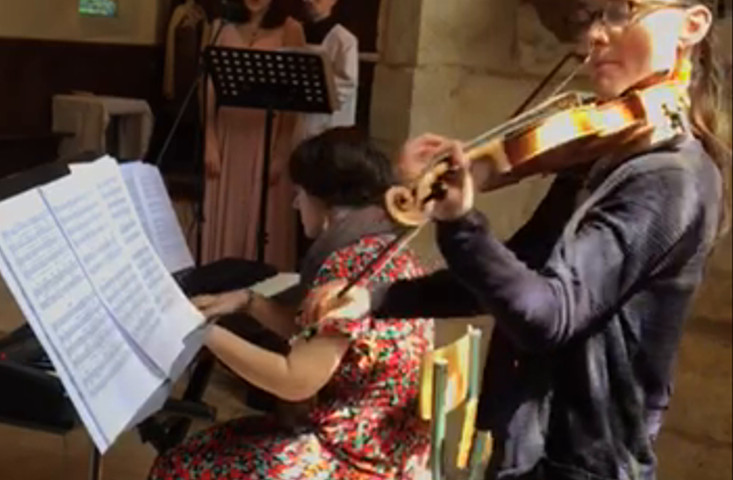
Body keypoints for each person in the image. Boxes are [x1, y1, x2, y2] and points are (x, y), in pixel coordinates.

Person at [306, 1, 730, 479]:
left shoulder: (671, 180)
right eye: (592, 17)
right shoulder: (605, 157)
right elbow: (517, 274)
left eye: (621, 12)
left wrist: (462, 223)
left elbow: (548, 314)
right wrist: (377, 297)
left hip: (582, 465)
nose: (595, 35)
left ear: (691, 25)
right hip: (526, 448)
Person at [148, 128, 433, 479]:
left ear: (324, 203)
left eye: (299, 194)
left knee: (179, 466)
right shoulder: (383, 246)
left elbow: (295, 380)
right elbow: (317, 334)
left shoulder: (348, 267)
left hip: (356, 459)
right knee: (211, 443)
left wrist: (202, 333)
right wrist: (247, 302)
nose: (296, 204)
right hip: (387, 443)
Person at [202, 0, 305, 271]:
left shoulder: (291, 29)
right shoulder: (220, 27)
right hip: (228, 135)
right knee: (227, 214)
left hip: (267, 136)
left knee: (264, 217)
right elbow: (208, 89)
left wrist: (281, 152)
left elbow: (294, 101)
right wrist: (209, 140)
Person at [300, 0, 359, 139]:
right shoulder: (296, 32)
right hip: (299, 118)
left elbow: (346, 84)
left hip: (329, 121)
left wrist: (312, 92)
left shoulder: (344, 39)